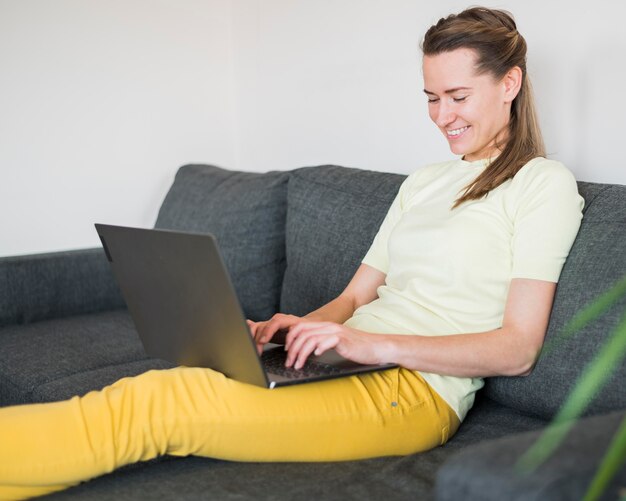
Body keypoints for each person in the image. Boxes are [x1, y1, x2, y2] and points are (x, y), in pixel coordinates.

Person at [0, 7, 583, 500]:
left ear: (509, 84)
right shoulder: (423, 182)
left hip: (414, 395)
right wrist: (300, 329)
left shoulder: (542, 184)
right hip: (350, 364)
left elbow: (517, 350)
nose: (442, 117)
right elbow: (357, 295)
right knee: (157, 385)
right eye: (431, 97)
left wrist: (367, 342)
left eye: (458, 96)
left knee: (159, 407)